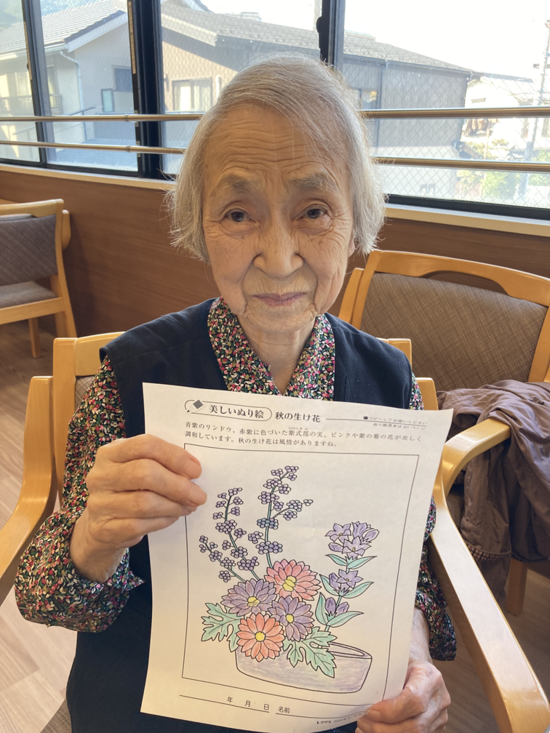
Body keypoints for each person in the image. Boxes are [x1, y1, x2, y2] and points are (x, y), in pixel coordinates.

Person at [15, 54, 455, 733]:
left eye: (314, 210)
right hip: (152, 704)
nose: (278, 258)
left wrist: (415, 657)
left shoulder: (388, 384)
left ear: (357, 222)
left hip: (324, 703)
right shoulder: (132, 376)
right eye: (239, 213)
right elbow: (44, 597)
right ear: (200, 226)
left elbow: (408, 572)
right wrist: (94, 538)